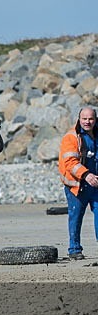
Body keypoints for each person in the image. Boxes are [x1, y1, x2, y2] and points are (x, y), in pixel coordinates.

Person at [58, 108, 98, 260]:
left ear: (95, 119)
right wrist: (86, 175)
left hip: (96, 185)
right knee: (75, 217)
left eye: (91, 119)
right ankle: (74, 249)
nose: (87, 122)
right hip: (77, 185)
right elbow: (70, 162)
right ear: (79, 119)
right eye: (84, 119)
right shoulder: (71, 137)